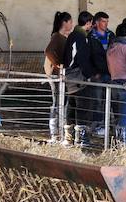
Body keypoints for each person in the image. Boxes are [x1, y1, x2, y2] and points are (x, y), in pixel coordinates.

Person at [62, 11, 99, 145]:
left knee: (71, 106)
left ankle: (69, 137)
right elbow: (83, 59)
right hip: (78, 77)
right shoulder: (81, 37)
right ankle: (82, 139)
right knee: (83, 107)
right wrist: (91, 74)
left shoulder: (72, 35)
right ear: (88, 23)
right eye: (91, 23)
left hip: (69, 76)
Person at [44, 11, 72, 142]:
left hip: (60, 76)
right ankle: (54, 133)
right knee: (57, 103)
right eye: (70, 22)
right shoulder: (57, 37)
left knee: (62, 102)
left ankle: (58, 132)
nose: (71, 24)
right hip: (57, 76)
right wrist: (58, 66)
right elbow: (48, 51)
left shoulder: (62, 37)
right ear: (64, 23)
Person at [88, 12, 113, 136]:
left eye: (107, 21)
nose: (106, 24)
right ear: (97, 22)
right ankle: (97, 125)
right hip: (97, 74)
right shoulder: (90, 37)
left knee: (108, 99)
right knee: (97, 100)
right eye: (103, 21)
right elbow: (87, 56)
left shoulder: (111, 35)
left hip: (109, 73)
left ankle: (106, 124)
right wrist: (93, 72)